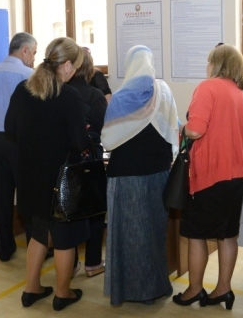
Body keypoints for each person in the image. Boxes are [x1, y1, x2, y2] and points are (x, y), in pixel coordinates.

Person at [5, 37, 91, 311]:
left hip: (29, 176)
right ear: (65, 65)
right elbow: (79, 142)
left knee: (39, 234)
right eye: (74, 67)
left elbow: (11, 131)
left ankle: (32, 289)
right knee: (65, 238)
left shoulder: (23, 89)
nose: (74, 72)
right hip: (60, 180)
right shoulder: (69, 96)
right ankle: (62, 293)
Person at [173, 44, 243, 311]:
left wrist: (181, 128)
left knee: (196, 234)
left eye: (209, 62)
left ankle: (195, 289)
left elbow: (195, 130)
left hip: (210, 176)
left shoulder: (208, 87)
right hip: (238, 175)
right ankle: (223, 289)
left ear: (217, 64)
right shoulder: (242, 96)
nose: (206, 67)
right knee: (227, 235)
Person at [101, 45, 179, 306]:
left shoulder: (121, 97)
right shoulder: (164, 90)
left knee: (127, 234)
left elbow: (108, 139)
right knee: (154, 234)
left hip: (125, 176)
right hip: (159, 173)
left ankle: (127, 289)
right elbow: (174, 129)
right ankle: (155, 287)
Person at [0, 32, 37, 262]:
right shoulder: (29, 75)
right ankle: (35, 247)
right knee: (28, 196)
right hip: (22, 143)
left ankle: (4, 248)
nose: (33, 57)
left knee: (1, 197)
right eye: (33, 52)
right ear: (24, 50)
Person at [66, 47, 107, 278]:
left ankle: (70, 264)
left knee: (70, 211)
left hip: (66, 160)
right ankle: (93, 263)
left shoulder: (59, 91)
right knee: (94, 211)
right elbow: (105, 128)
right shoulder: (95, 96)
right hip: (90, 158)